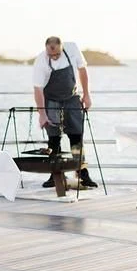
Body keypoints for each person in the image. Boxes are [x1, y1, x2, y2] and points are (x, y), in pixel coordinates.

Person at [32, 36, 97, 188]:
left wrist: (87, 95)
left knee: (76, 136)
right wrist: (42, 114)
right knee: (54, 139)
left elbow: (82, 70)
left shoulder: (73, 48)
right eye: (51, 55)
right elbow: (38, 89)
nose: (54, 57)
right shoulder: (41, 61)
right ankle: (56, 175)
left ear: (62, 47)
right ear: (46, 49)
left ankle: (82, 173)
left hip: (71, 98)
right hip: (51, 101)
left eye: (57, 54)